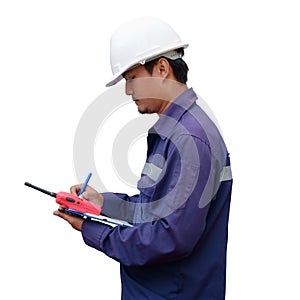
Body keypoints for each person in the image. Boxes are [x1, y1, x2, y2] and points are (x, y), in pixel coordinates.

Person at [54, 16, 233, 300]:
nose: (128, 90)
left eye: (131, 78)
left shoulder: (190, 139)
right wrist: (103, 203)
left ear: (162, 68)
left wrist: (94, 231)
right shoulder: (175, 131)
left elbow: (170, 238)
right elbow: (154, 208)